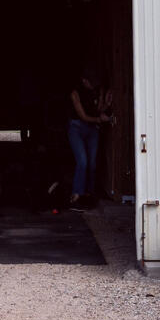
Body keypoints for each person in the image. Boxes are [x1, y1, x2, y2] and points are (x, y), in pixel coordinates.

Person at [63, 68, 113, 212]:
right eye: (91, 83)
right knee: (82, 161)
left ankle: (89, 194)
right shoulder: (75, 93)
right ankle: (76, 195)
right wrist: (100, 119)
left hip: (92, 128)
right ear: (84, 81)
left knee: (92, 163)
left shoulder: (97, 89)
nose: (94, 86)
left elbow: (98, 109)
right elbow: (83, 116)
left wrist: (107, 104)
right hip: (76, 128)